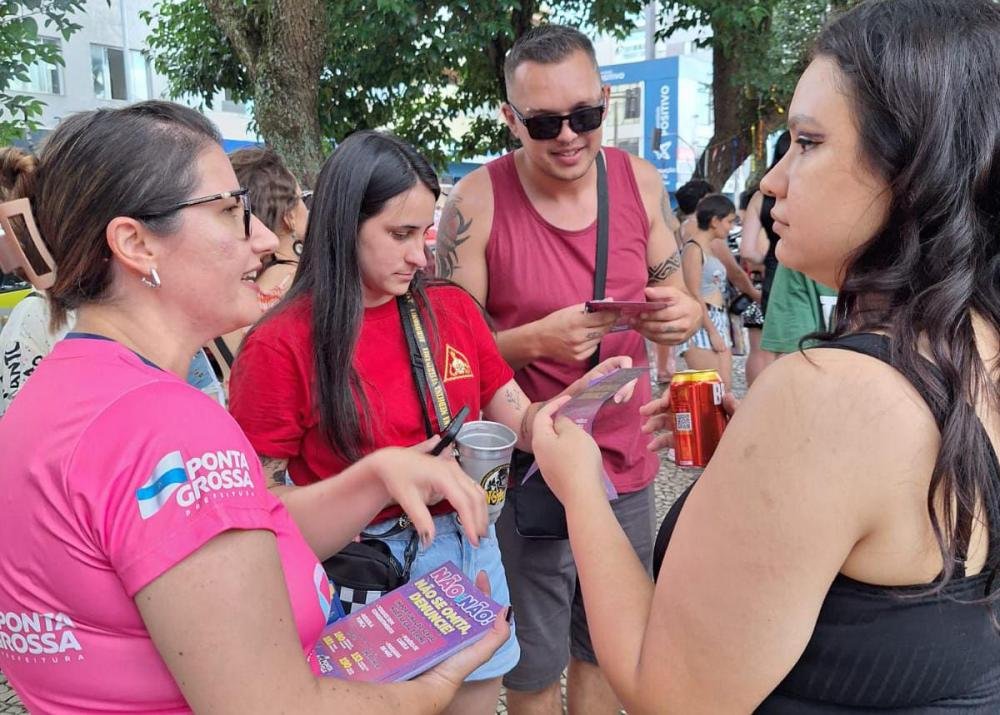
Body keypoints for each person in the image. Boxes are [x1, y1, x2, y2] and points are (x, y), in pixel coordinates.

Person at [532, 0, 1000, 711]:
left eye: (807, 143)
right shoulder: (975, 341)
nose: (773, 180)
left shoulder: (829, 396)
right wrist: (753, 454)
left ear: (913, 166)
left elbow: (671, 693)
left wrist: (580, 483)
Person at [0, 101, 509, 713]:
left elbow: (237, 545)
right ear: (135, 243)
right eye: (231, 212)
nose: (267, 238)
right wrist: (429, 690)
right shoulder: (172, 430)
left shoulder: (60, 392)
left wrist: (375, 476)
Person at [227, 130, 632, 715]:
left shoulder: (449, 309)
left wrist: (568, 407)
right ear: (343, 226)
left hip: (471, 541)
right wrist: (372, 482)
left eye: (424, 231)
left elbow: (514, 416)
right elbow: (256, 505)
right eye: (400, 234)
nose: (421, 255)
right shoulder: (281, 345)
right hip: (369, 563)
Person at [437, 24, 700, 715]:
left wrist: (684, 314)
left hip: (628, 461)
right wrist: (534, 340)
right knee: (531, 667)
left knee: (608, 652)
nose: (568, 137)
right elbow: (447, 358)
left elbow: (680, 290)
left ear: (605, 100)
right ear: (509, 118)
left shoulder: (638, 182)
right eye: (545, 122)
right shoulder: (475, 202)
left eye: (585, 117)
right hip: (533, 470)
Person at [675, 194, 752, 389]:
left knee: (724, 388)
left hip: (717, 318)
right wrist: (712, 331)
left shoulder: (707, 247)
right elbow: (693, 293)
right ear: (715, 221)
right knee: (712, 388)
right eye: (728, 221)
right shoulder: (694, 249)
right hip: (703, 321)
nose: (730, 227)